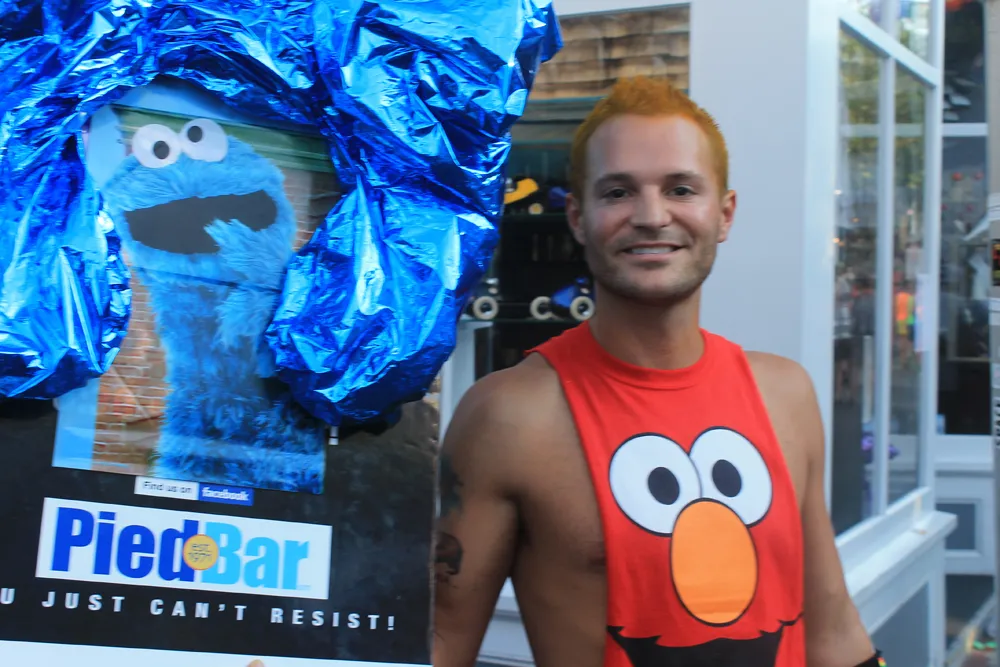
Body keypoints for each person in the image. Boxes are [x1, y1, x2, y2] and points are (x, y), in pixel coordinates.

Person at [433, 76, 882, 667]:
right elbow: (439, 643)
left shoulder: (786, 394)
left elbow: (832, 626)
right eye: (619, 192)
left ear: (724, 214)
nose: (650, 216)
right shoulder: (509, 417)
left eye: (680, 189)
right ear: (577, 216)